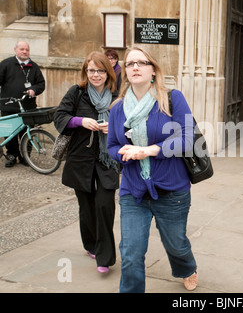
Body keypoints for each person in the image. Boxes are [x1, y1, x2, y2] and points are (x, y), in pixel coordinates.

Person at [107, 46, 198, 293]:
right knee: (131, 253)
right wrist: (124, 153)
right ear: (125, 72)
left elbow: (188, 139)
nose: (135, 67)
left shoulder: (172, 99)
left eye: (142, 62)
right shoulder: (117, 108)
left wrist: (148, 150)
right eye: (130, 64)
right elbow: (112, 146)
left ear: (153, 70)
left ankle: (187, 268)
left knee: (176, 245)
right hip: (133, 190)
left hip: (171, 189)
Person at [53, 51, 119, 273]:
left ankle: (104, 257)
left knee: (104, 204)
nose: (95, 75)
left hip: (107, 158)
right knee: (87, 206)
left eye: (100, 70)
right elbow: (59, 116)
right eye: (91, 70)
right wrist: (80, 121)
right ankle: (91, 244)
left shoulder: (118, 94)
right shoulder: (77, 92)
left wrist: (116, 128)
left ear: (107, 72)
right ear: (85, 71)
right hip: (81, 158)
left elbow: (131, 122)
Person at [0, 41, 45, 167]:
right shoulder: (6, 64)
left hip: (28, 107)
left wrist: (34, 90)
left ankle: (25, 156)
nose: (25, 51)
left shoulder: (34, 67)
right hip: (8, 105)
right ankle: (11, 155)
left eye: (27, 49)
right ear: (15, 49)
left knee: (27, 132)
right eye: (22, 49)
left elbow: (41, 84)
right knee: (10, 133)